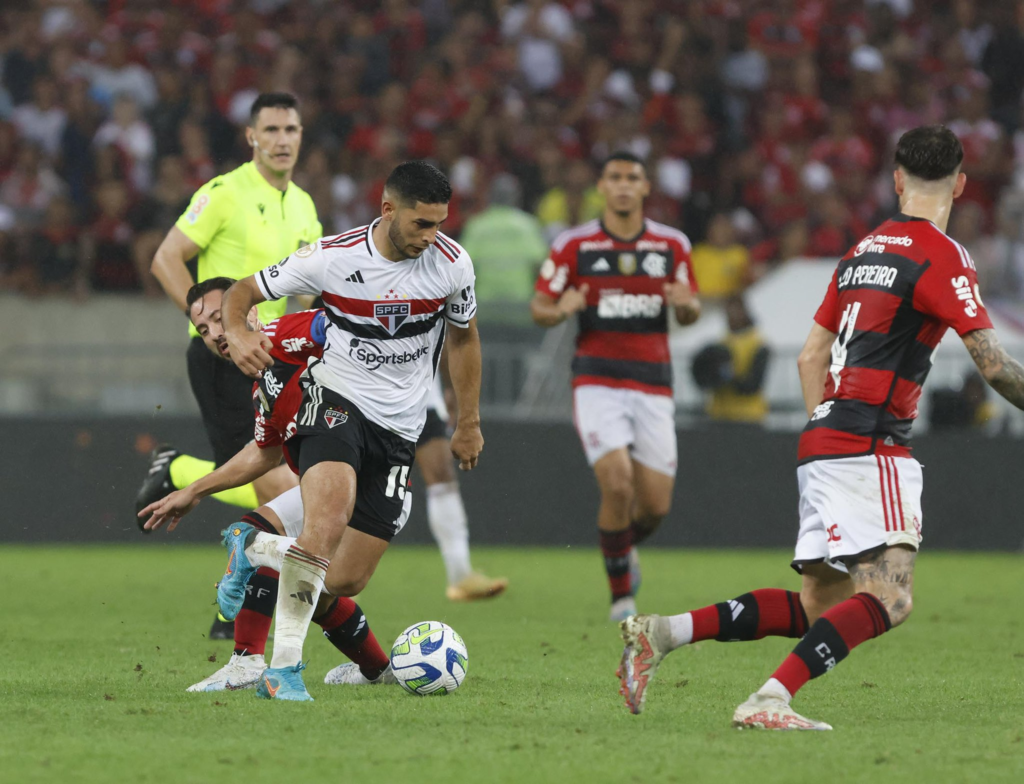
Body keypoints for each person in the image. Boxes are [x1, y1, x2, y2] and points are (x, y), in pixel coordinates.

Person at [618, 125, 1024, 730]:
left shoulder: (862, 252)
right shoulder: (944, 256)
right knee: (891, 596)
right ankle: (769, 700)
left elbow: (812, 356)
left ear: (896, 182)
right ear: (961, 185)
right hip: (872, 444)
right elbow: (994, 365)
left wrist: (823, 433)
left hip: (824, 439)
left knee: (819, 607)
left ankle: (662, 632)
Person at [217, 160, 484, 701]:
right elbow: (243, 291)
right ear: (388, 210)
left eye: (439, 224)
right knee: (326, 523)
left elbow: (464, 338)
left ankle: (255, 548)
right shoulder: (332, 259)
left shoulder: (452, 265)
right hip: (334, 402)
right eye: (421, 225)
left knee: (343, 578)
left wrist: (468, 422)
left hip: (400, 430)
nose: (431, 237)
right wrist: (237, 335)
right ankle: (283, 671)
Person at [137, 92, 322, 639]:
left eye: (292, 129)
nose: (283, 139)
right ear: (251, 137)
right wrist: (212, 328)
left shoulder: (305, 206)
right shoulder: (224, 193)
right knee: (279, 485)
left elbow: (307, 291)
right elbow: (165, 258)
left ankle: (180, 475)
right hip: (223, 360)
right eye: (272, 129)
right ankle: (239, 611)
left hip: (273, 357)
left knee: (284, 486)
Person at [530, 151, 700, 622]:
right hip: (596, 381)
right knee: (618, 484)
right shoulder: (574, 245)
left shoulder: (672, 246)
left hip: (653, 386)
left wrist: (686, 306)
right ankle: (621, 598)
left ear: (646, 188)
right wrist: (561, 309)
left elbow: (689, 310)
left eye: (633, 178)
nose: (624, 186)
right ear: (601, 187)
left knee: (655, 508)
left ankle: (622, 549)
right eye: (615, 178)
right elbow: (540, 306)